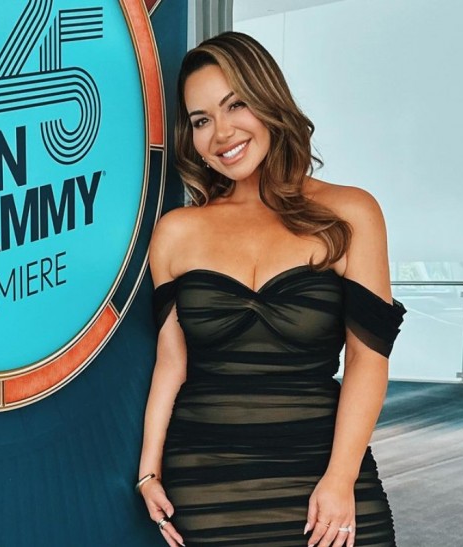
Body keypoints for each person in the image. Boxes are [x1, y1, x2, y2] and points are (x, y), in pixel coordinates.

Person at [135, 32, 405, 547]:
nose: (220, 133)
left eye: (234, 105)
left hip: (328, 474)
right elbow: (172, 364)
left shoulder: (350, 213)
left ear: (268, 101)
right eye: (200, 120)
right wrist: (149, 471)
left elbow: (368, 361)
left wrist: (340, 478)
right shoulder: (176, 231)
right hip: (208, 484)